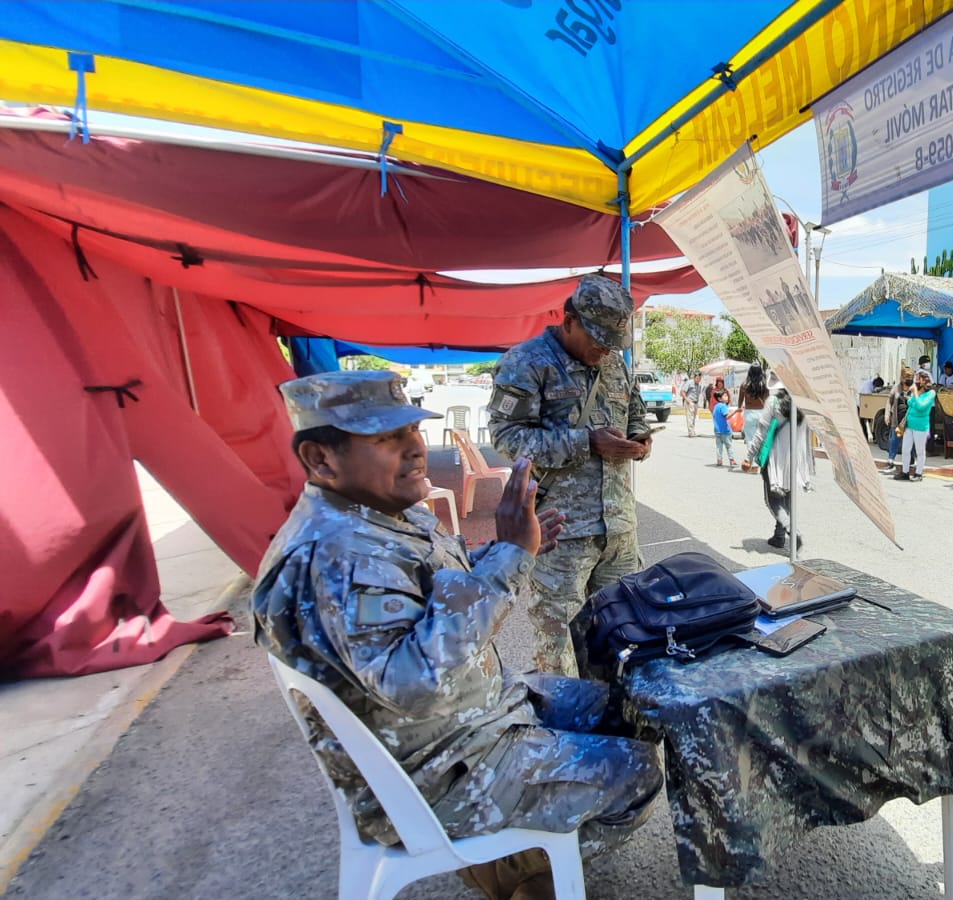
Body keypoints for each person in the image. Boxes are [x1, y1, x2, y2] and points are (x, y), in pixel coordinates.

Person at [253, 371, 661, 900]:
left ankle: (520, 851)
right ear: (320, 459)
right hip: (438, 768)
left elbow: (433, 591)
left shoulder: (374, 514)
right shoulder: (335, 557)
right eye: (385, 439)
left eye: (412, 432)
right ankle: (518, 869)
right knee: (637, 771)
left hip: (472, 719)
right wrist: (508, 560)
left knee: (627, 708)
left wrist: (512, 549)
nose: (414, 451)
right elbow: (415, 681)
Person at [488, 274, 650, 678]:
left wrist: (640, 438)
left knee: (625, 636)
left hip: (618, 529)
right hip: (561, 532)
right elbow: (507, 438)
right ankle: (568, 729)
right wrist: (587, 443)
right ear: (569, 320)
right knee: (558, 646)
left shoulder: (613, 362)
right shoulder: (526, 363)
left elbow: (635, 412)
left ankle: (616, 721)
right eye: (597, 339)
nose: (604, 350)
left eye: (613, 342)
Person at [759, 387, 815, 549]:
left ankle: (791, 531)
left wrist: (750, 456)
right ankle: (779, 536)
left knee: (773, 501)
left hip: (775, 459)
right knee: (787, 500)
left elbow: (762, 433)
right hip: (794, 460)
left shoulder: (774, 403)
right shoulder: (801, 405)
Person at [895, 368, 937, 482]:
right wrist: (915, 395)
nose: (916, 382)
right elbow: (909, 403)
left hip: (920, 426)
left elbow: (921, 407)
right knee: (905, 449)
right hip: (909, 425)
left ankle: (919, 473)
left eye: (919, 380)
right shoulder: (917, 392)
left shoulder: (931, 393)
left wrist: (915, 394)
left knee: (919, 451)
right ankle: (905, 471)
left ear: (925, 382)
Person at [738, 363, 771, 472]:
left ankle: (751, 463)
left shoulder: (744, 385)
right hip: (762, 413)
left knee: (750, 439)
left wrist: (739, 408)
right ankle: (758, 464)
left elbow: (740, 400)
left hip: (749, 413)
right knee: (761, 439)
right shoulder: (764, 385)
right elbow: (767, 400)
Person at [886, 369, 913, 472]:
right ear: (902, 378)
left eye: (911, 377)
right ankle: (891, 461)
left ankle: (911, 461)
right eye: (907, 377)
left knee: (911, 442)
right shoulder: (896, 388)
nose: (909, 379)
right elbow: (889, 401)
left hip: (910, 420)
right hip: (897, 420)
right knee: (894, 441)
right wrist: (887, 415)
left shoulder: (914, 388)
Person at [712, 395, 735, 466]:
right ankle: (732, 460)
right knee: (729, 446)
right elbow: (727, 417)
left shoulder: (716, 406)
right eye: (725, 396)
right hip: (725, 430)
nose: (727, 397)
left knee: (719, 446)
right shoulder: (723, 406)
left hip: (717, 430)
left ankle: (719, 460)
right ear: (719, 398)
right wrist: (735, 412)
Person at [682, 372, 703, 437]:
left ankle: (692, 431)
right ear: (694, 377)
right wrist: (686, 399)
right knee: (690, 417)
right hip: (690, 401)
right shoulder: (689, 383)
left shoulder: (699, 385)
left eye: (700, 378)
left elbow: (698, 394)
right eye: (697, 378)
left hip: (695, 402)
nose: (698, 380)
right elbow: (683, 391)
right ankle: (690, 432)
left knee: (693, 418)